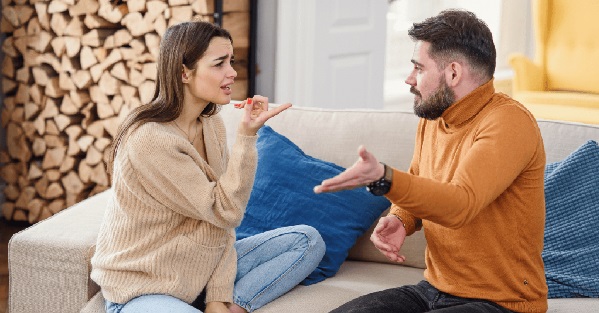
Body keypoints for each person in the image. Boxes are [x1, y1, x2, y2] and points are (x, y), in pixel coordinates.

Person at [314, 9, 548, 313]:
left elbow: (460, 204)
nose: (409, 79)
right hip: (434, 289)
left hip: (503, 304)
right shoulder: (434, 117)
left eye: (418, 68)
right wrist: (401, 219)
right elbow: (421, 183)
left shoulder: (508, 123)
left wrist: (385, 178)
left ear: (453, 73)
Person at [91, 20, 325, 313]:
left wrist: (219, 295)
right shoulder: (151, 140)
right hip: (143, 288)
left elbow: (222, 225)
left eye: (231, 61)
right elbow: (224, 209)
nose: (232, 72)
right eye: (219, 64)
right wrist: (246, 137)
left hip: (196, 272)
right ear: (183, 73)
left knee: (308, 241)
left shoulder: (210, 123)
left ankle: (233, 307)